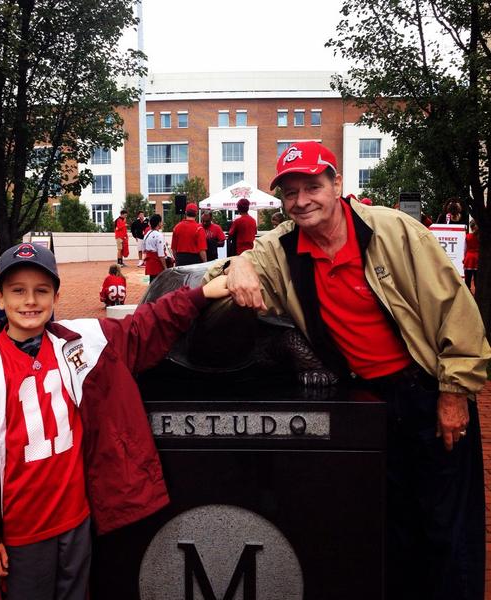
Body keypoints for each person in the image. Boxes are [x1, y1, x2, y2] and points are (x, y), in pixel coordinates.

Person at [204, 140, 490, 600]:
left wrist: (454, 392)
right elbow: (212, 276)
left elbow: (455, 311)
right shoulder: (281, 249)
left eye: (312, 186)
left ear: (337, 184)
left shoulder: (396, 232)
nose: (301, 201)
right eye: (290, 192)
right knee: (389, 519)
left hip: (428, 391)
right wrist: (238, 263)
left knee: (446, 525)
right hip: (369, 400)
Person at [0, 242, 229, 599]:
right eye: (17, 291)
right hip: (21, 533)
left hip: (76, 520)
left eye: (41, 291)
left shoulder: (84, 342)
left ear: (55, 296)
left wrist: (201, 294)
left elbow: (144, 326)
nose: (30, 301)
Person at [143, 214, 167, 281]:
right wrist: (165, 268)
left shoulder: (147, 234)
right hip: (157, 264)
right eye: (161, 222)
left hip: (150, 263)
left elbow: (144, 249)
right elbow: (161, 254)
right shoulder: (159, 235)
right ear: (159, 223)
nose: (162, 223)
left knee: (152, 283)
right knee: (159, 286)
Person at [464, 219, 479, 293]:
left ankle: (467, 295)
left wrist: (464, 258)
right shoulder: (481, 237)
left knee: (467, 279)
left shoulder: (467, 236)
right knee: (477, 280)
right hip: (478, 258)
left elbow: (465, 249)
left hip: (468, 258)